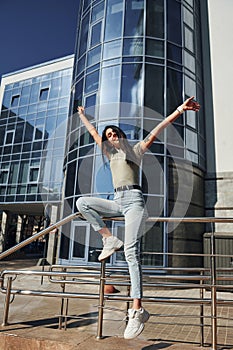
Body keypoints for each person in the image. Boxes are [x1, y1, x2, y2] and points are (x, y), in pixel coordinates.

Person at [76, 97, 200, 339]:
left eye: (114, 133)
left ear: (121, 135)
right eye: (108, 134)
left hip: (134, 202)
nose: (110, 136)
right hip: (116, 201)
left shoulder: (136, 150)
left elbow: (159, 128)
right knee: (83, 202)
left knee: (131, 253)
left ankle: (137, 309)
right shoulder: (109, 155)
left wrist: (179, 109)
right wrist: (82, 115)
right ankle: (109, 239)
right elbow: (92, 132)